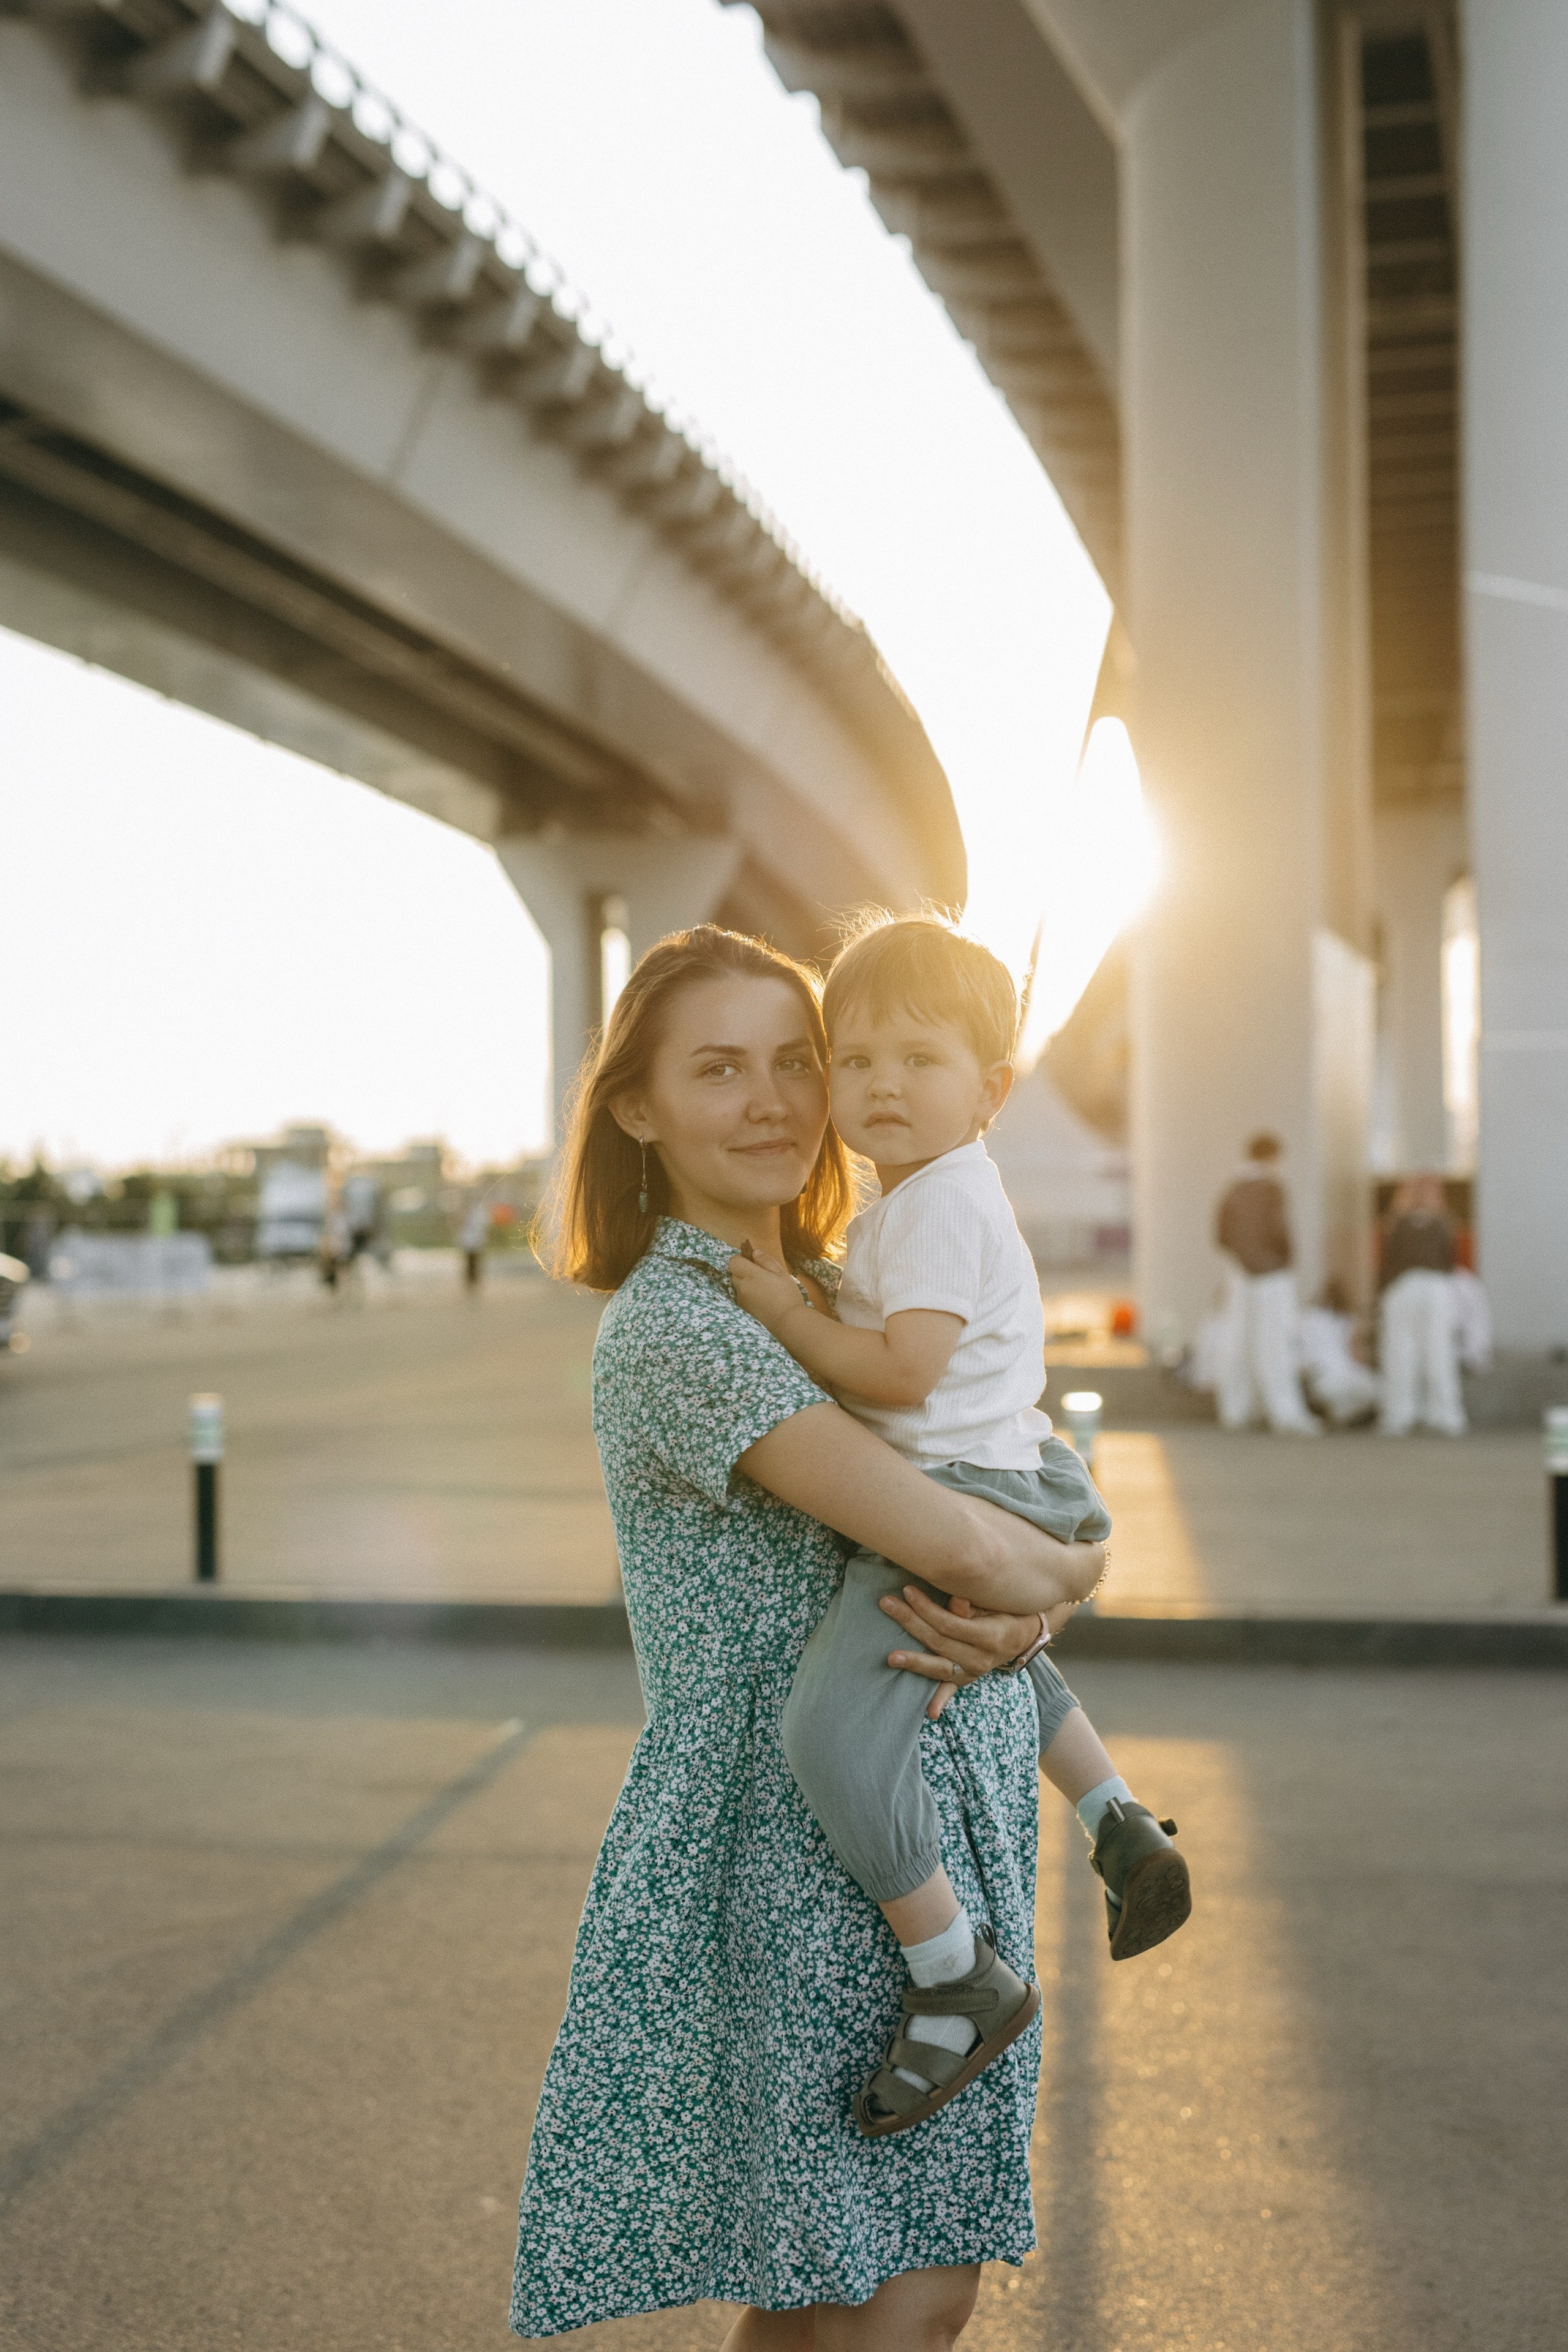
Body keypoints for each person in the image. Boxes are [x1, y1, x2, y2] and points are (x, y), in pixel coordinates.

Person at [510, 926, 1106, 2350]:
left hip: (911, 1806)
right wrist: (1063, 1580)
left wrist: (1031, 1595)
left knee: (875, 2276)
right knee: (875, 2288)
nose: (776, 1098)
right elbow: (959, 1539)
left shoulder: (848, 1288)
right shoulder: (684, 1327)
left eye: (797, 1059)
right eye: (720, 1068)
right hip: (789, 1847)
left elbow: (991, 1487)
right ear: (638, 1106)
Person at [729, 914, 1188, 2141]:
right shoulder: (928, 1195)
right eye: (856, 1058)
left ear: (987, 1092)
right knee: (989, 1645)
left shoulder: (933, 1201)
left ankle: (950, 1971)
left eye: (915, 1061)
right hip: (1022, 1469)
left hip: (969, 1492)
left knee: (826, 1733)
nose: (878, 1083)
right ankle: (1113, 1817)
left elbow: (898, 1375)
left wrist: (782, 1306)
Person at [1213, 1133, 1320, 1434]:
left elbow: (1221, 1235)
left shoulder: (1232, 1190)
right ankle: (1284, 1412)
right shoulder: (1272, 1189)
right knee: (1276, 1343)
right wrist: (1283, 1260)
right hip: (1272, 1276)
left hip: (1240, 1275)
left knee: (1238, 1341)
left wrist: (1241, 1261)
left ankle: (1237, 1410)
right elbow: (1279, 1229)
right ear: (1273, 1157)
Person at [1379, 1175, 1466, 1436]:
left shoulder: (1396, 1224)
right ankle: (1445, 1414)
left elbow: (1388, 1260)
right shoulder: (1444, 1223)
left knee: (1401, 1352)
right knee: (1439, 1350)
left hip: (1404, 1287)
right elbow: (1450, 1259)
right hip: (1435, 1287)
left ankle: (1400, 1414)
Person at [1298, 1280, 1381, 1426]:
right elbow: (1358, 1353)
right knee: (1365, 1388)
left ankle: (1342, 1416)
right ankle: (1344, 1415)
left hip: (1330, 1374)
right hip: (1329, 1375)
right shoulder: (1343, 1320)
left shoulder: (1311, 1318)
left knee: (1351, 1390)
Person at [459, 1197, 489, 1292]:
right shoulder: (471, 1215)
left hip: (475, 1242)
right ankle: (471, 1281)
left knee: (475, 1262)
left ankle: (474, 1281)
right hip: (470, 1242)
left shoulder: (476, 1215)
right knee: (470, 1262)